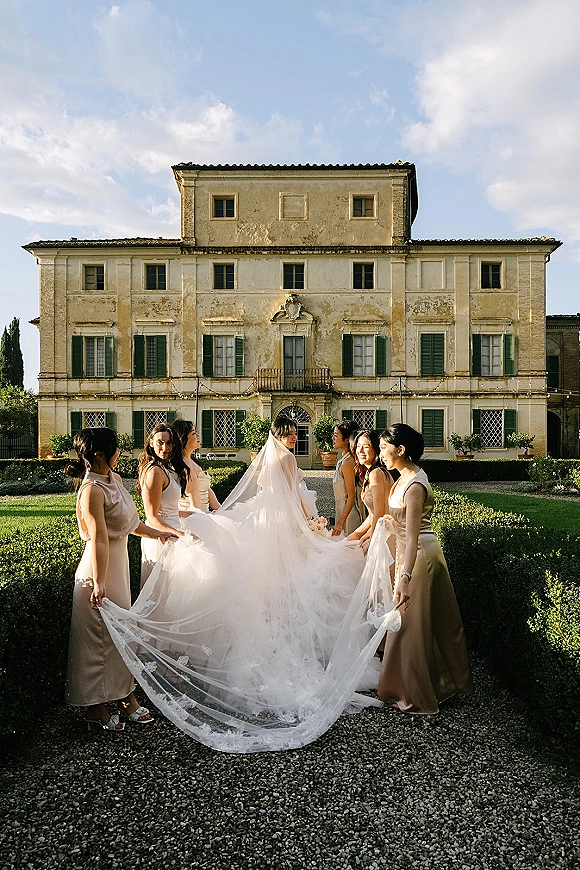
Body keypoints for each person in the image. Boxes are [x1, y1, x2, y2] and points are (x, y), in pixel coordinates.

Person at [98, 416, 402, 752]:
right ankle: (167, 657)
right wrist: (308, 524)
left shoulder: (266, 457)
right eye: (291, 433)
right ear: (283, 436)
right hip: (191, 530)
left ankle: (169, 658)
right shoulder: (284, 458)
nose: (293, 437)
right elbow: (288, 496)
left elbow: (261, 490)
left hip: (227, 523)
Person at [64, 427, 177, 731]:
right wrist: (99, 582)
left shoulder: (112, 480)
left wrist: (160, 533)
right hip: (99, 569)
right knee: (100, 641)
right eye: (115, 448)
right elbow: (99, 539)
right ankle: (98, 708)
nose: (120, 453)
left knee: (120, 637)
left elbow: (132, 522)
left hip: (118, 566)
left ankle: (125, 698)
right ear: (100, 454)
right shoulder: (91, 490)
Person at [377, 423, 474, 714]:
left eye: (384, 448)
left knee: (412, 624)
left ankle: (417, 693)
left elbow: (414, 534)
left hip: (418, 556)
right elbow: (401, 523)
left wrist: (404, 577)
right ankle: (431, 682)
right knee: (422, 622)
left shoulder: (415, 484)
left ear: (400, 450)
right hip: (408, 553)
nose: (381, 454)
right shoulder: (402, 477)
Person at [137, 424, 186, 587]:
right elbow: (152, 516)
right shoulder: (154, 472)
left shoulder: (167, 469)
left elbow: (169, 508)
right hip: (161, 537)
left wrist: (192, 515)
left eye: (169, 443)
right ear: (151, 442)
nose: (165, 448)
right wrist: (177, 534)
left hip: (171, 531)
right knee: (161, 593)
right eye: (160, 442)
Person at [347, 430, 393, 554]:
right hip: (380, 528)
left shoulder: (376, 473)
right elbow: (372, 514)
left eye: (366, 446)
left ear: (375, 449)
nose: (360, 451)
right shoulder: (370, 473)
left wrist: (372, 538)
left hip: (385, 533)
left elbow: (380, 512)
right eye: (358, 446)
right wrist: (357, 533)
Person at [170, 418, 221, 513]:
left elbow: (206, 490)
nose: (198, 435)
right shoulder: (182, 466)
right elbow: (193, 502)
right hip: (193, 515)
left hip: (204, 512)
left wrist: (221, 510)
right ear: (183, 438)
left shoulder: (192, 461)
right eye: (194, 433)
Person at [331, 421, 361, 536]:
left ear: (347, 439)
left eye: (336, 435)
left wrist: (340, 522)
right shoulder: (344, 460)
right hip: (341, 508)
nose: (333, 438)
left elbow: (351, 496)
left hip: (348, 514)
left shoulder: (348, 462)